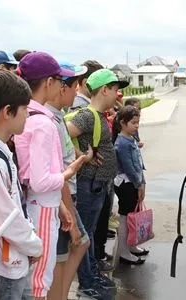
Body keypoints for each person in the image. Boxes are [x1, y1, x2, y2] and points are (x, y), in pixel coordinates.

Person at [14, 52, 85, 300]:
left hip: (39, 204)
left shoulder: (28, 115)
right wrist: (69, 172)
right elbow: (41, 181)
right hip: (42, 205)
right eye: (59, 79)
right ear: (48, 83)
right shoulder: (43, 123)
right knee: (39, 282)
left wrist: (62, 209)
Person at [0, 69, 43, 300]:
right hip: (4, 266)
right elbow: (5, 215)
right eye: (25, 110)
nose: (28, 116)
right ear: (7, 112)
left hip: (13, 257)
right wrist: (34, 245)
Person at [66, 69, 128, 299]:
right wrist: (81, 154)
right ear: (104, 90)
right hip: (89, 185)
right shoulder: (88, 115)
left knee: (89, 234)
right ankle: (87, 282)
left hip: (97, 185)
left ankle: (91, 275)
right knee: (85, 236)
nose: (118, 94)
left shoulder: (98, 115)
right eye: (114, 89)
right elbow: (59, 133)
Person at [45, 61, 92, 300]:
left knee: (79, 245)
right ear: (61, 88)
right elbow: (57, 174)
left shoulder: (58, 117)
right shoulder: (48, 122)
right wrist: (69, 216)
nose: (78, 91)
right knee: (60, 259)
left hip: (65, 195)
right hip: (61, 197)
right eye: (76, 86)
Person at [113, 106, 148, 265]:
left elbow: (138, 164)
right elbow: (129, 167)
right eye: (133, 123)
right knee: (126, 217)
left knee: (132, 216)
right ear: (123, 123)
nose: (136, 126)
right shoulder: (122, 143)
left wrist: (142, 182)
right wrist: (139, 184)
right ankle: (124, 252)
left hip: (133, 182)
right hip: (126, 184)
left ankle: (132, 245)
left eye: (138, 122)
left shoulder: (130, 139)